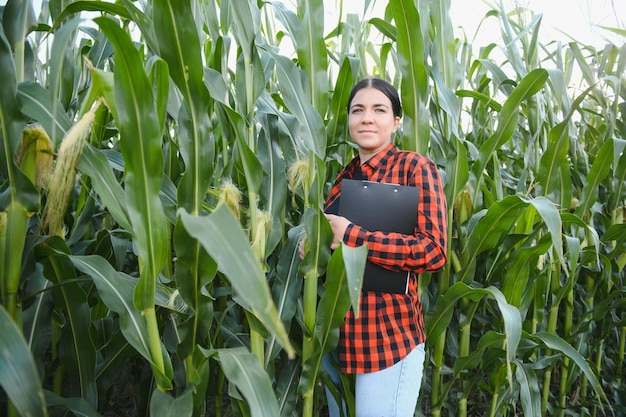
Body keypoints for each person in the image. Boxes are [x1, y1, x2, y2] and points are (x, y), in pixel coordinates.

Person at [299, 77, 448, 417]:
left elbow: (433, 251)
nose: (367, 118)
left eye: (379, 109)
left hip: (388, 341)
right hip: (340, 340)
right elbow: (329, 244)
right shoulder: (344, 178)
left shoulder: (415, 168)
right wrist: (312, 248)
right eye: (358, 110)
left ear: (396, 121)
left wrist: (355, 236)